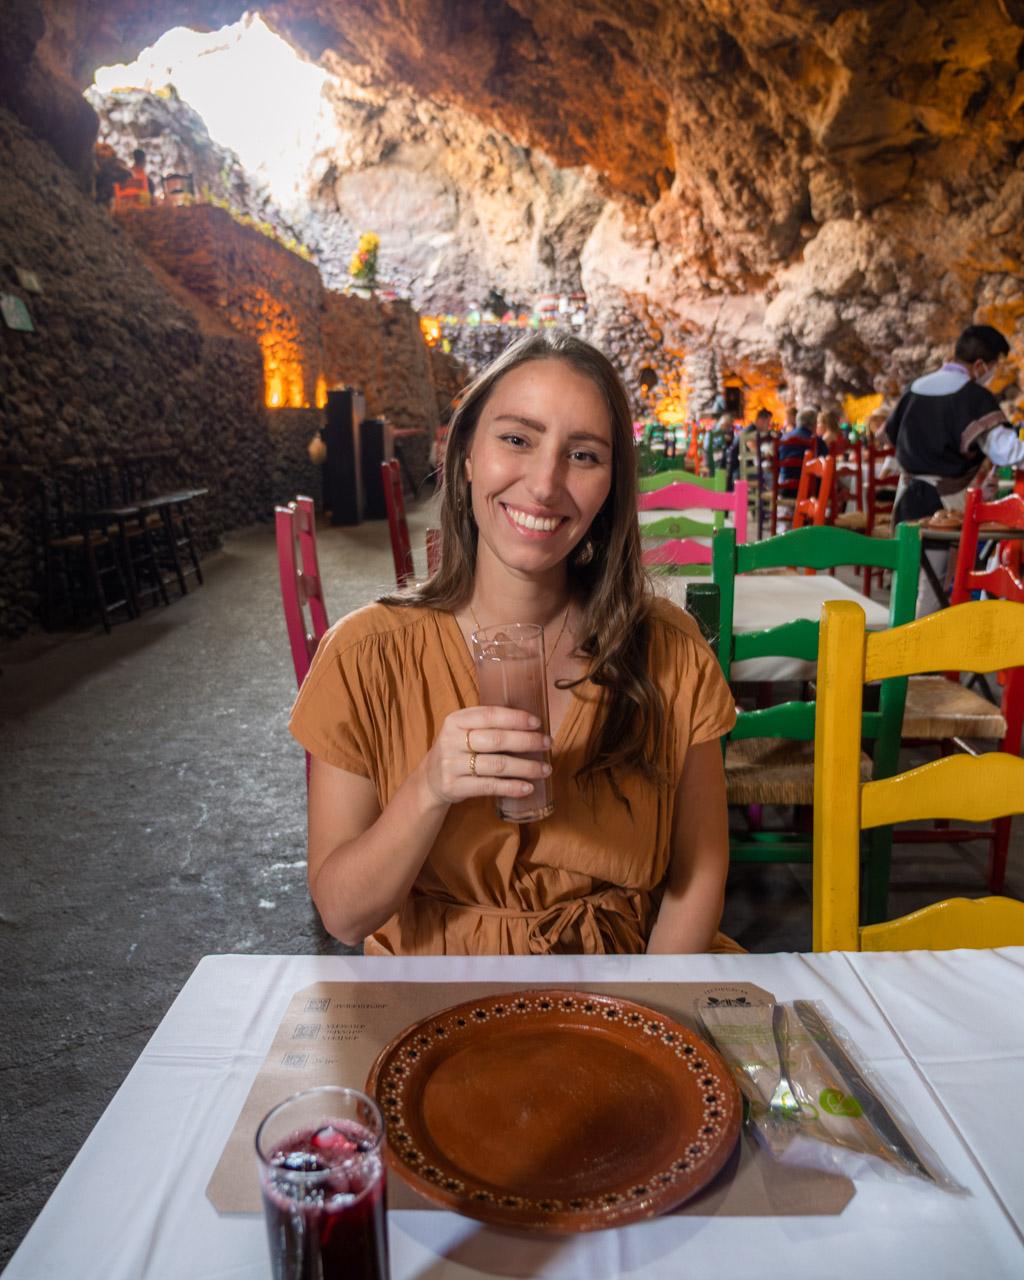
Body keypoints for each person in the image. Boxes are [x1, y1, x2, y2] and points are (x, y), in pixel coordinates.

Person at [290, 333, 739, 956]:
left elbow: (698, 881)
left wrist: (638, 1023)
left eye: (583, 455)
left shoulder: (669, 650)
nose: (546, 484)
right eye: (517, 439)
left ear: (611, 487)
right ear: (466, 454)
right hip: (433, 1007)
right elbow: (344, 916)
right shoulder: (366, 656)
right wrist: (429, 788)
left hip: (623, 997)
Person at [886, 323, 1024, 612]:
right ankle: (921, 655)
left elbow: (891, 436)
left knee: (907, 581)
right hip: (943, 502)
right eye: (994, 365)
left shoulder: (914, 388)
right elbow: (1007, 452)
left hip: (907, 495)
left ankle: (897, 646)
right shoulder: (973, 397)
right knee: (933, 590)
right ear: (980, 365)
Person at [724, 407, 771, 490]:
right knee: (770, 476)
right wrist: (766, 455)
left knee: (769, 474)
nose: (769, 426)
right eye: (768, 423)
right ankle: (768, 500)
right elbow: (755, 451)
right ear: (761, 421)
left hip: (737, 469)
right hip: (739, 471)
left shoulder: (751, 429)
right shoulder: (750, 432)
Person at [778, 407, 818, 487]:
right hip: (808, 490)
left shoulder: (783, 439)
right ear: (814, 424)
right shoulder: (816, 441)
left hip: (785, 488)